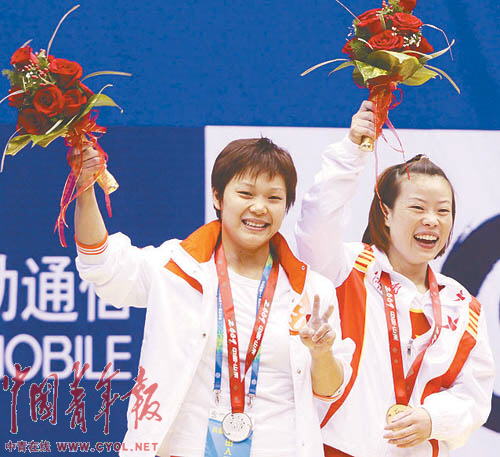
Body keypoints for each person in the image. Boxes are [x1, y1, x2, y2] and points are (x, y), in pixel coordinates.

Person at [74, 138, 353, 457]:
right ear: (218, 196)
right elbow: (101, 264)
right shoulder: (175, 267)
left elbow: (329, 391)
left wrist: (321, 352)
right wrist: (85, 190)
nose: (259, 207)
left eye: (274, 197)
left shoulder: (313, 290)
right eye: (246, 193)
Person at [296, 101, 495, 457]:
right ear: (386, 214)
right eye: (417, 207)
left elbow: (474, 396)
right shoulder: (347, 268)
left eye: (443, 211)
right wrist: (353, 150)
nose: (431, 220)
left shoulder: (462, 305)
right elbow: (317, 220)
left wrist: (433, 419)